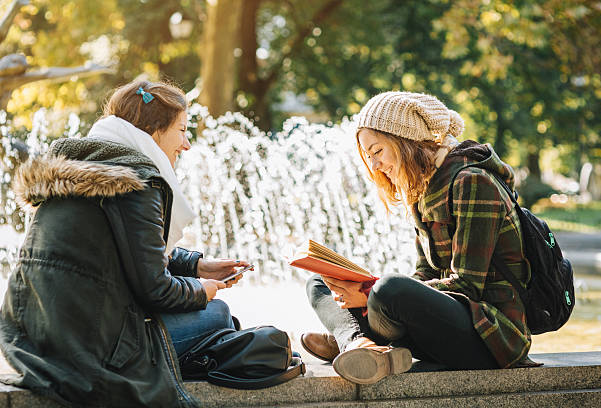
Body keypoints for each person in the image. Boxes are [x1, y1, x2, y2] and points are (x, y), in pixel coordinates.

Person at [0, 80, 251, 407]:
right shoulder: (138, 180)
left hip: (31, 335)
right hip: (91, 346)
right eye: (182, 130)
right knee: (218, 315)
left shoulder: (82, 166)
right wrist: (203, 290)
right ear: (152, 131)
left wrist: (194, 265)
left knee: (216, 323)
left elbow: (118, 247)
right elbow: (155, 291)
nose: (186, 144)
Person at [302, 91, 536, 385]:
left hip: (492, 336)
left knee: (389, 289)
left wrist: (370, 293)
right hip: (444, 327)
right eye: (368, 156)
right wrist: (363, 290)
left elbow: (467, 285)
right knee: (321, 280)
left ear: (404, 140)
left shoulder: (473, 181)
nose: (374, 166)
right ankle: (360, 345)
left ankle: (354, 338)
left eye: (377, 151)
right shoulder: (422, 188)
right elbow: (424, 273)